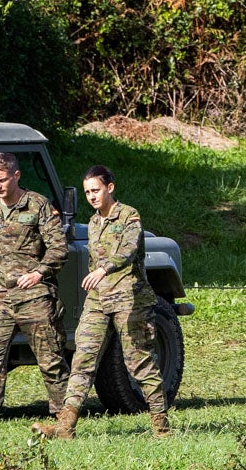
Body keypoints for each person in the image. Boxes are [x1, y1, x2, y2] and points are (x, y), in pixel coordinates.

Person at [33, 165, 171, 439]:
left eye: (95, 190)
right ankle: (65, 426)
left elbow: (129, 250)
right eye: (87, 192)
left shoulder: (129, 216)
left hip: (130, 299)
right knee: (83, 358)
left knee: (138, 362)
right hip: (99, 300)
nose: (91, 197)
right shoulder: (94, 222)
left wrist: (103, 269)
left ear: (110, 187)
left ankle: (161, 427)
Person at [0, 152, 70, 440]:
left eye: (3, 179)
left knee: (50, 358)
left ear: (16, 176)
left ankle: (64, 422)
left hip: (34, 296)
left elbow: (59, 248)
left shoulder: (38, 205)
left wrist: (39, 273)